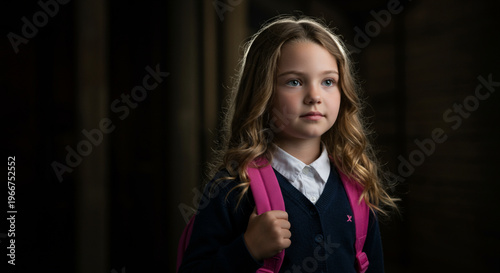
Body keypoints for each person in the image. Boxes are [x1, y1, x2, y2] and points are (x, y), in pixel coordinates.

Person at [178, 15, 398, 273]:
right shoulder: (230, 190)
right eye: (294, 82)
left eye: (328, 81)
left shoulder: (356, 187)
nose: (314, 96)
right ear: (262, 92)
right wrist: (247, 249)